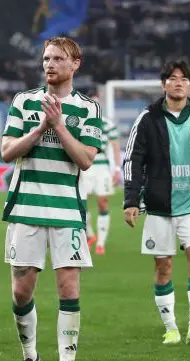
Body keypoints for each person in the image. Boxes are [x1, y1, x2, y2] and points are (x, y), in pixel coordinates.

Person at [0, 37, 102, 361]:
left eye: (58, 58)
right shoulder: (23, 102)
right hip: (25, 207)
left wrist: (58, 125)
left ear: (76, 64)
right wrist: (41, 126)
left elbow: (87, 159)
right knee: (22, 292)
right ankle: (30, 357)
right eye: (46, 58)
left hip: (66, 211)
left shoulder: (88, 108)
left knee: (69, 287)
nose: (49, 64)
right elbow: (7, 151)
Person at [123, 60, 190, 345]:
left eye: (184, 79)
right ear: (164, 84)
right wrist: (131, 200)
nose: (178, 82)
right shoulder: (148, 118)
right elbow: (132, 158)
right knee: (163, 267)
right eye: (172, 78)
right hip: (159, 206)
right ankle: (171, 327)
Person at [82, 95, 121, 255]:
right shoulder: (81, 122)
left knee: (102, 203)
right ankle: (90, 235)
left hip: (102, 169)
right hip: (85, 167)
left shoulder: (107, 124)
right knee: (81, 204)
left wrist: (117, 168)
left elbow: (115, 146)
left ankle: (101, 243)